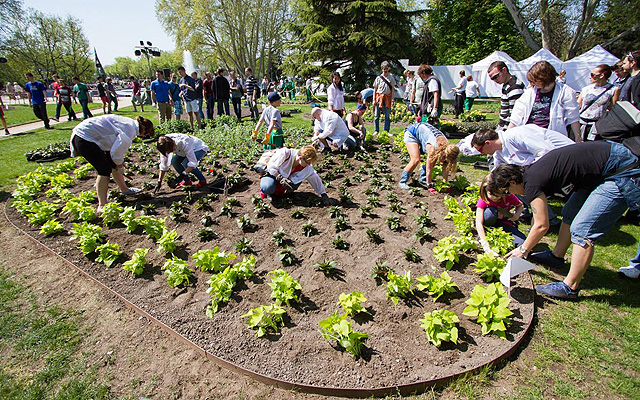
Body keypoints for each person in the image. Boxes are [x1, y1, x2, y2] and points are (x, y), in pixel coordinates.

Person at [489, 141, 640, 299]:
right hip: (600, 169)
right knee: (569, 212)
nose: (508, 194)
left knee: (582, 230)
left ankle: (570, 287)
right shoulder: (531, 174)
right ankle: (556, 256)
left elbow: (542, 226)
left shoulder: (532, 183)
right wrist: (529, 243)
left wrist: (523, 249)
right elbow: (537, 216)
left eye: (506, 190)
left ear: (512, 182)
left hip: (622, 169)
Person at [69, 114, 155, 211]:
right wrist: (119, 163)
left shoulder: (129, 123)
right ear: (143, 129)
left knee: (113, 164)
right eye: (146, 134)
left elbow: (114, 152)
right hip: (84, 138)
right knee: (104, 170)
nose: (144, 136)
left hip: (87, 135)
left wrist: (118, 163)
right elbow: (116, 153)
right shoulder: (129, 131)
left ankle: (125, 190)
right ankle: (102, 205)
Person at [509, 61, 581, 141]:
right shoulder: (530, 93)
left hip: (552, 137)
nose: (532, 84)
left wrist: (578, 137)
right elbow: (516, 117)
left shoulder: (565, 91)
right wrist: (507, 136)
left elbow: (573, 117)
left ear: (543, 79)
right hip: (529, 136)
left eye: (534, 81)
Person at [470, 125, 574, 168]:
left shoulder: (516, 136)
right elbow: (496, 172)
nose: (481, 154)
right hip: (554, 164)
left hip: (569, 159)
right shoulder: (498, 152)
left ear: (487, 143)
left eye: (480, 150)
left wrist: (527, 171)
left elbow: (546, 151)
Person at [257, 145, 330, 205]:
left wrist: (323, 194)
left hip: (284, 180)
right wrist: (280, 177)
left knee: (295, 183)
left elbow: (314, 177)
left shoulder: (306, 166)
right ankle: (269, 192)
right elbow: (271, 167)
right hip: (271, 175)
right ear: (300, 158)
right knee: (268, 187)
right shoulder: (285, 154)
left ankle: (280, 193)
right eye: (307, 162)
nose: (308, 165)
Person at [398, 122, 459, 192]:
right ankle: (402, 182)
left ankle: (423, 179)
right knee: (415, 159)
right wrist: (429, 186)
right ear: (445, 154)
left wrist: (445, 183)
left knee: (435, 159)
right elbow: (429, 169)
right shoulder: (433, 148)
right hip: (412, 133)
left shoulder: (448, 148)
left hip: (424, 132)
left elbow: (445, 167)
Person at [476, 174, 525, 255]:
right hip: (490, 222)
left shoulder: (508, 196)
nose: (495, 198)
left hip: (504, 223)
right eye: (492, 194)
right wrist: (485, 244)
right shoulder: (484, 199)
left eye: (498, 195)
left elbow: (520, 205)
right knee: (490, 213)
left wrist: (516, 216)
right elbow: (478, 222)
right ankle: (484, 234)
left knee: (522, 243)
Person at [578, 64, 619, 141]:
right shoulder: (586, 89)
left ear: (601, 75)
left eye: (592, 74)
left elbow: (612, 108)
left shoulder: (613, 89)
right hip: (582, 123)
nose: (590, 77)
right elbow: (578, 105)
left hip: (598, 126)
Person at [486, 61, 525, 132]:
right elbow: (504, 112)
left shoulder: (515, 87)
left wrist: (504, 132)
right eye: (492, 78)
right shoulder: (506, 86)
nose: (494, 80)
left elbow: (514, 114)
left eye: (496, 76)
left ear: (504, 70)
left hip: (510, 130)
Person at [372, 61, 396, 135]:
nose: (385, 70)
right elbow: (375, 89)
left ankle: (386, 131)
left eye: (386, 68)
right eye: (383, 69)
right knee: (376, 116)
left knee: (387, 116)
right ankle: (376, 130)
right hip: (379, 98)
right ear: (381, 69)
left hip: (387, 98)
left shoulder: (391, 78)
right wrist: (374, 99)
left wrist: (392, 99)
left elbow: (392, 89)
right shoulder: (378, 78)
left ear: (388, 68)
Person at [177, 66, 202, 130]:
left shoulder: (190, 79)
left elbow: (193, 89)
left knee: (196, 113)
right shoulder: (181, 80)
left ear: (184, 71)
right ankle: (192, 127)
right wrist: (181, 93)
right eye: (179, 73)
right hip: (186, 99)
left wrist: (185, 85)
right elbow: (182, 90)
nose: (180, 74)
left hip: (192, 98)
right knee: (189, 113)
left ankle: (200, 127)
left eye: (180, 72)